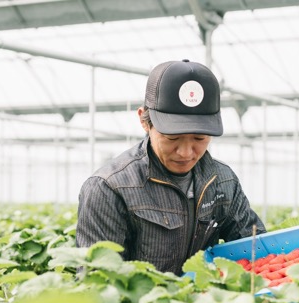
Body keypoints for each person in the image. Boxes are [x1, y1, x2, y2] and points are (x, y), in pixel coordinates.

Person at [76, 59, 266, 274]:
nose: (186, 152)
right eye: (172, 138)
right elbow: (98, 281)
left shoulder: (223, 180)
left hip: (206, 302)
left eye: (199, 138)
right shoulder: (109, 188)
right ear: (144, 122)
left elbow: (255, 251)